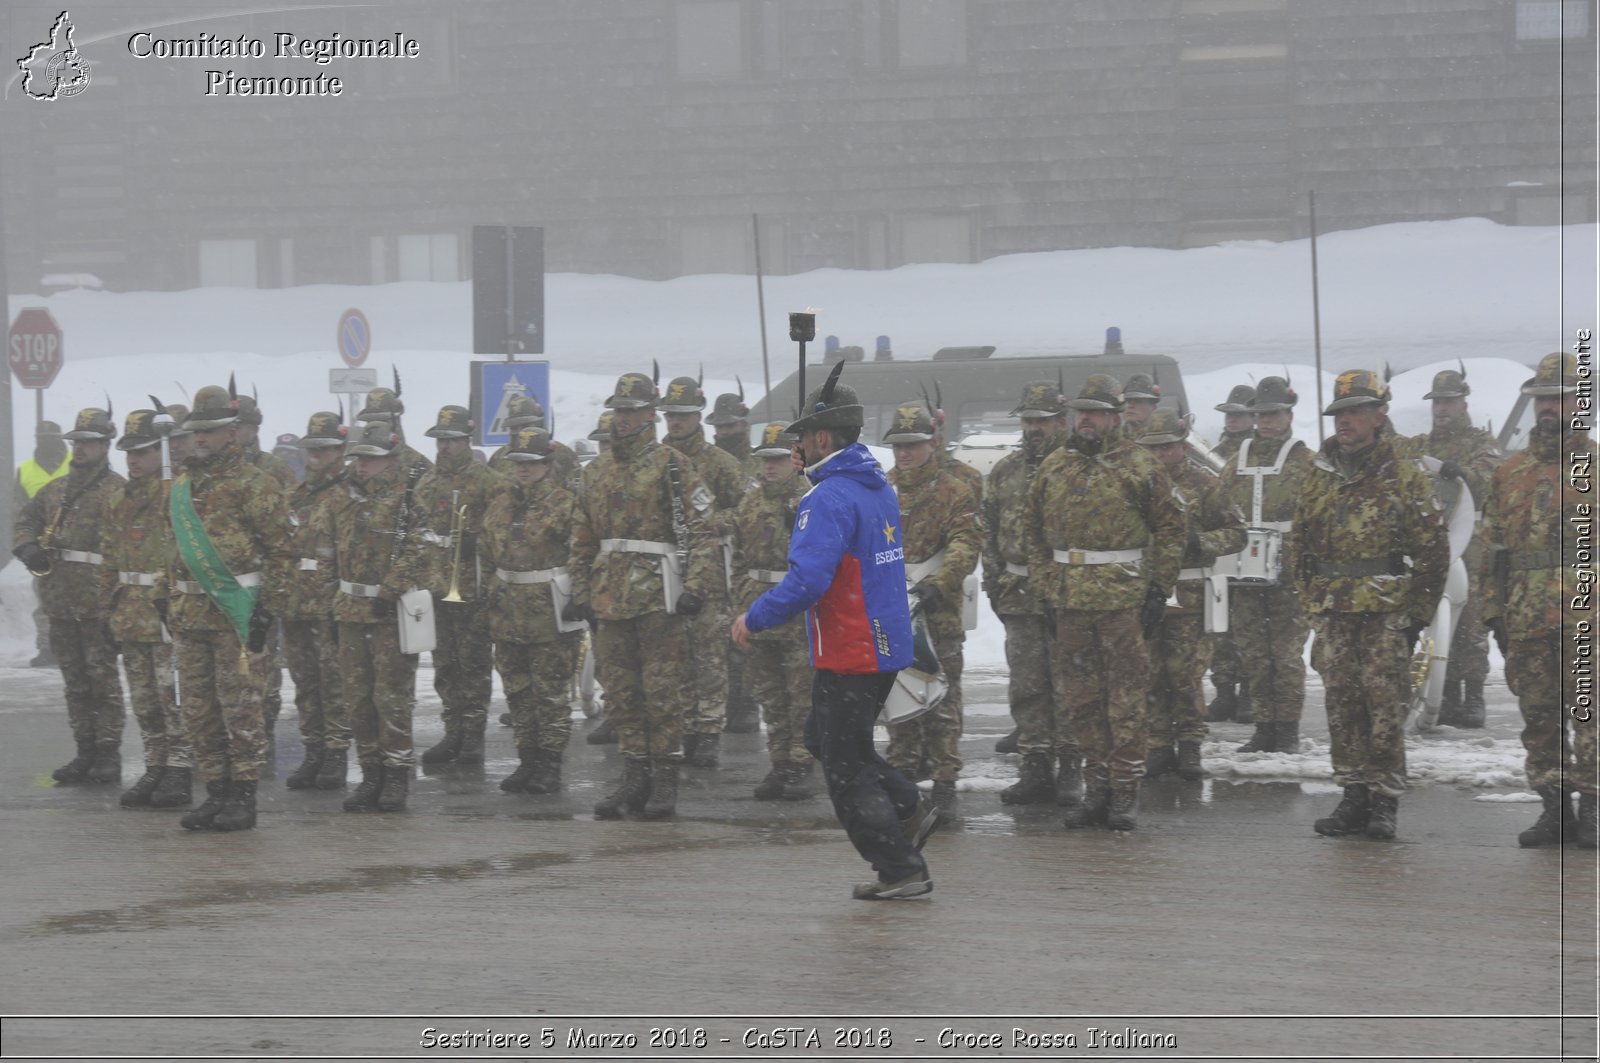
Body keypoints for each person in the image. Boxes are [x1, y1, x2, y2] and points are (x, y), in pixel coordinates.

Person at [732, 362, 937, 900]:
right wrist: (815, 477)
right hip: (885, 641)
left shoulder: (826, 499)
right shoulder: (873, 485)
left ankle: (899, 867)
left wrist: (753, 617)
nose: (798, 448)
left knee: (845, 769)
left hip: (850, 648)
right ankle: (910, 807)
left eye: (803, 438)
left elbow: (808, 580)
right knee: (823, 739)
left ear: (822, 437)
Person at [1025, 374, 1183, 831]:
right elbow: (1032, 534)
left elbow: (1172, 528)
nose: (1086, 419)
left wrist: (1158, 589)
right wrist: (1047, 587)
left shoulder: (1141, 465)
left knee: (1126, 700)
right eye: (1081, 411)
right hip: (1070, 601)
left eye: (1095, 412)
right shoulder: (1055, 466)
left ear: (1115, 416)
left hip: (1123, 601)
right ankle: (1096, 789)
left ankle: (1125, 791)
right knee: (1082, 701)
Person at [1295, 369, 1448, 841]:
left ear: (1379, 415)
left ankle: (1384, 801)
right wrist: (1312, 608)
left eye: (1356, 411)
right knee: (1342, 708)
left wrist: (1416, 617)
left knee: (1384, 709)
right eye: (1340, 413)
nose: (1345, 421)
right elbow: (1298, 547)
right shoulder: (1317, 475)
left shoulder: (1402, 473)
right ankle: (1353, 794)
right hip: (1334, 613)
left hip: (1385, 613)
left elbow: (1432, 550)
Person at [568, 371, 718, 820]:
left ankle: (665, 777)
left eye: (633, 411)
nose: (625, 419)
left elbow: (704, 531)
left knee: (661, 692)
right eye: (619, 411)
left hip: (659, 596)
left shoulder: (673, 465)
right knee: (621, 694)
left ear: (651, 415)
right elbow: (581, 538)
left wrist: (696, 587)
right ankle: (634, 775)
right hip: (610, 599)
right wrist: (579, 590)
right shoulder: (594, 472)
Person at [1479, 352, 1597, 848]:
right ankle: (1555, 810)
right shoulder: (1510, 475)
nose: (1549, 407)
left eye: (1560, 397)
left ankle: (1592, 810)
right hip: (1527, 622)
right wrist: (1494, 614)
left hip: (1586, 620)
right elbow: (1494, 551)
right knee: (1540, 721)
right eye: (1542, 398)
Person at [166, 386, 294, 832]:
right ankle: (216, 792)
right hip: (189, 614)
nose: (200, 439)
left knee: (239, 707)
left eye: (211, 431)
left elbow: (283, 553)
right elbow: (172, 549)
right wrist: (169, 598)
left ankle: (243, 796)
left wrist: (266, 610)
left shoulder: (256, 485)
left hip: (237, 616)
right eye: (195, 431)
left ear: (232, 433)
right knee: (198, 710)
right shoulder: (182, 485)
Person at [317, 421, 431, 813]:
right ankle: (370, 774)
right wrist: (328, 602)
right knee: (357, 700)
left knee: (391, 698)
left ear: (390, 461)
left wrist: (391, 588)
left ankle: (396, 773)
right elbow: (327, 553)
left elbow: (421, 549)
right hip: (349, 610)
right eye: (358, 458)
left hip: (388, 612)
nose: (362, 466)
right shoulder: (338, 500)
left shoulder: (409, 500)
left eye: (372, 459)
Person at [13, 407, 128, 785]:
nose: (79, 450)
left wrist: (120, 603)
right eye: (76, 442)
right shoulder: (56, 489)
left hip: (98, 604)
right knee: (75, 683)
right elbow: (25, 519)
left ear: (105, 445)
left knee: (104, 683)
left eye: (88, 443)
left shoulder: (117, 491)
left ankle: (108, 752)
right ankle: (85, 750)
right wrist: (27, 547)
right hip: (60, 602)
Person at [882, 399, 983, 818]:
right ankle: (902, 774)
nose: (905, 453)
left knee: (941, 696)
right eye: (899, 445)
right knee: (894, 693)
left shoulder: (954, 491)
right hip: (889, 607)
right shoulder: (879, 489)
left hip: (935, 609)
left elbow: (965, 545)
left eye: (914, 444)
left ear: (933, 443)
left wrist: (937, 585)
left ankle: (944, 781)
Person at [1134, 409, 1246, 780]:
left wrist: (1202, 541)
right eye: (1151, 448)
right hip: (1146, 592)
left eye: (1166, 447)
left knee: (1185, 676)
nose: (1159, 456)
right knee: (1149, 674)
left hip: (1190, 595)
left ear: (1183, 447)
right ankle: (1159, 745)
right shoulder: (1135, 484)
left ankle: (1191, 747)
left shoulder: (1206, 485)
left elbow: (1236, 532)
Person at [985, 381, 1081, 806]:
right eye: (1028, 421)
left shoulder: (1077, 467)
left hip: (1067, 592)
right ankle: (1036, 766)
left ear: (1061, 421)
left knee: (1070, 682)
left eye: (1041, 421)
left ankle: (1071, 766)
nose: (1034, 428)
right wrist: (992, 582)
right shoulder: (1005, 471)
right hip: (1018, 591)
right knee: (1027, 685)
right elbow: (987, 530)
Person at [1393, 366, 1503, 727]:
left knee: (1470, 625)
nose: (1441, 409)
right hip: (1431, 547)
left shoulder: (1480, 442)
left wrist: (1465, 473)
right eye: (1437, 403)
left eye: (1448, 402)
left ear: (1463, 402)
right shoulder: (1423, 446)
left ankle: (1473, 696)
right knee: (1436, 622)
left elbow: (1489, 478)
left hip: (1469, 546)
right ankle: (1446, 695)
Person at [1216, 377, 1315, 751]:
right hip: (1245, 573)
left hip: (1290, 574)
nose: (1267, 422)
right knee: (1254, 653)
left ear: (1289, 414)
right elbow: (1220, 508)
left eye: (1274, 414)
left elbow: (1319, 516)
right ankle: (1263, 728)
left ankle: (1287, 729)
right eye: (1261, 415)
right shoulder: (1235, 461)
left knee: (1285, 655)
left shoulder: (1305, 461)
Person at [480, 428, 580, 794]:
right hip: (508, 611)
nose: (523, 470)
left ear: (547, 465)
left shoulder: (566, 504)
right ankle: (528, 758)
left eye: (531, 463)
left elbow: (580, 554)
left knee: (550, 692)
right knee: (518, 690)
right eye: (518, 463)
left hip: (549, 610)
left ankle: (550, 764)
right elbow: (487, 552)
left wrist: (577, 598)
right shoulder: (501, 504)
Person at [101, 409, 191, 809]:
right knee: (144, 699)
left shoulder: (176, 492)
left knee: (172, 696)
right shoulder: (119, 498)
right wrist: (108, 609)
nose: (133, 460)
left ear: (163, 450)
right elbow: (108, 558)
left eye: (142, 451)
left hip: (165, 611)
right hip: (129, 613)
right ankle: (155, 765)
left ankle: (180, 769)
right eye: (128, 453)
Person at [659, 373, 749, 764]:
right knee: (671, 655)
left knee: (709, 655)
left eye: (683, 414)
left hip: (710, 570)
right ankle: (682, 727)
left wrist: (710, 523)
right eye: (669, 415)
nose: (675, 422)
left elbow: (745, 510)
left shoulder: (721, 463)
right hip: (661, 570)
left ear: (698, 415)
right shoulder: (653, 459)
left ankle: (709, 728)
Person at [413, 405, 506, 767]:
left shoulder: (489, 481)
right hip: (437, 589)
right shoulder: (427, 483)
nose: (444, 447)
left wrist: (478, 543)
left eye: (451, 440)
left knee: (474, 665)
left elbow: (503, 534)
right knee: (445, 665)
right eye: (440, 441)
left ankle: (473, 736)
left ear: (467, 440)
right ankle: (452, 731)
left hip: (474, 589)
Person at [728, 423, 815, 800]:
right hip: (758, 610)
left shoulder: (810, 499)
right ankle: (779, 763)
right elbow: (737, 558)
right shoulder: (749, 503)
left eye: (778, 459)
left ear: (794, 459)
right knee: (770, 694)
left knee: (802, 695)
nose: (770, 467)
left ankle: (801, 764)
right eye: (764, 460)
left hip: (797, 611)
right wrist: (739, 603)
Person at [280, 413, 352, 791]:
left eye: (323, 449)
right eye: (312, 449)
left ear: (340, 450)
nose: (315, 456)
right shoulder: (296, 495)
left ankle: (337, 753)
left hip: (330, 604)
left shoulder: (350, 494)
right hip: (295, 603)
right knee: (305, 682)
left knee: (334, 682)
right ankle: (313, 750)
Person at [1206, 384, 1256, 722]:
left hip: (1254, 546)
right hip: (1222, 544)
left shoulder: (1259, 453)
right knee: (1219, 624)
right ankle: (1224, 692)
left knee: (1250, 623)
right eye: (1230, 414)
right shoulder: (1213, 453)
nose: (1233, 420)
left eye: (1239, 414)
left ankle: (1250, 693)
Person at [14, 420, 70, 667]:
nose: (46, 443)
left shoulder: (75, 462)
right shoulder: (25, 470)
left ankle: (75, 648)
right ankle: (47, 649)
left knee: (80, 601)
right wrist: (25, 544)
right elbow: (18, 510)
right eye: (42, 438)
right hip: (42, 549)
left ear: (60, 439)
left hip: (77, 546)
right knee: (45, 600)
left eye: (51, 438)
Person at [356, 384, 432, 478]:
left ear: (396, 421)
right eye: (371, 422)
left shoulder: (420, 467)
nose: (377, 427)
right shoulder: (355, 470)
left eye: (383, 421)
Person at [1212, 384, 1257, 461]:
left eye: (1238, 415)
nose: (1231, 420)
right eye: (1229, 414)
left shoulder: (1259, 449)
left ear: (1254, 418)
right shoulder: (1217, 448)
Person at [1120, 372, 1162, 437]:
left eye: (1138, 401)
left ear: (1153, 408)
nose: (1130, 405)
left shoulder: (1161, 440)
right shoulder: (1112, 441)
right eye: (1127, 401)